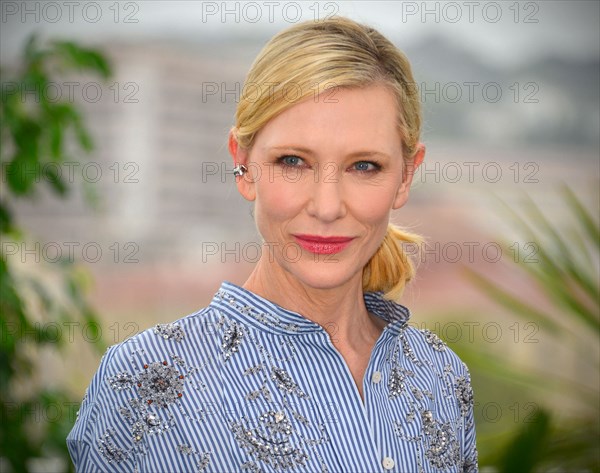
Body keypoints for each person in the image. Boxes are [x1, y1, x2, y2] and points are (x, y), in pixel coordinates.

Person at [67, 16, 478, 473]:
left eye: (364, 166)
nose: (327, 206)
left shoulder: (441, 376)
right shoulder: (144, 382)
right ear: (242, 164)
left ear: (406, 175)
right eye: (293, 162)